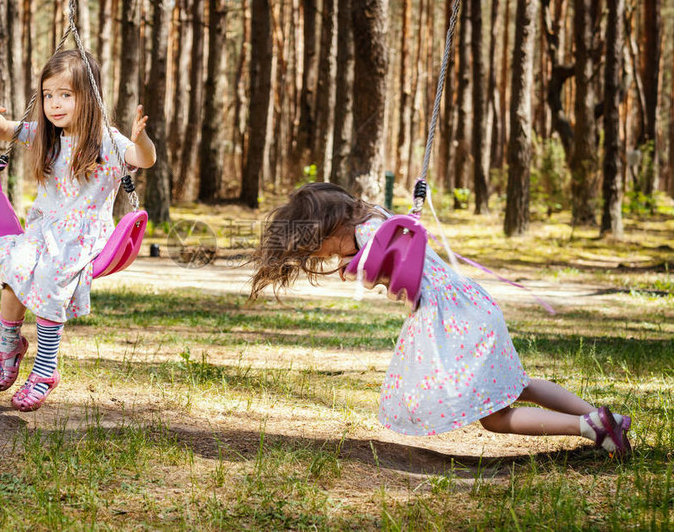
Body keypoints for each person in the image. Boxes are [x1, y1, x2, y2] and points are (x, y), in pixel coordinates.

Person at [249, 182, 632, 456]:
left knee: (495, 418)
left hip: (454, 321)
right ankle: (607, 418)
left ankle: (589, 428)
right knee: (521, 385)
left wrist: (353, 268)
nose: (319, 256)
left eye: (319, 245)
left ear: (335, 226)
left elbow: (368, 273)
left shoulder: (369, 236)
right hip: (471, 306)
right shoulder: (377, 220)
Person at [0, 49, 156, 412]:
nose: (54, 104)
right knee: (13, 272)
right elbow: (7, 130)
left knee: (48, 276)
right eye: (48, 95)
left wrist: (140, 140)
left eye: (65, 95)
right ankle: (10, 343)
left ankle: (45, 370)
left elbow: (144, 160)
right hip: (43, 231)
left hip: (83, 238)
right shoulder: (47, 134)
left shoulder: (108, 140)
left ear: (88, 97)